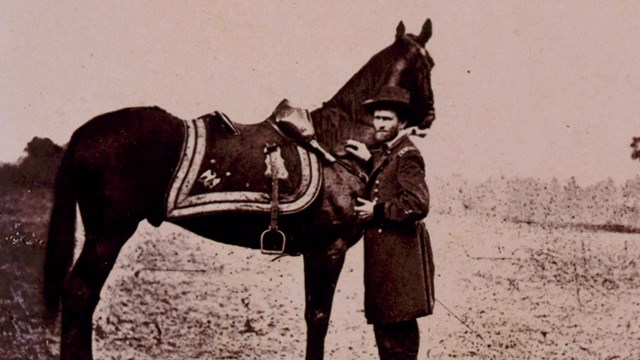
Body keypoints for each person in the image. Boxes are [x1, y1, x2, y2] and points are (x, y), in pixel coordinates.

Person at [345, 85, 435, 360]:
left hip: (400, 260)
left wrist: (378, 211)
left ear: (403, 123)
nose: (379, 124)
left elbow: (418, 205)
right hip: (386, 260)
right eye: (377, 118)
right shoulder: (389, 153)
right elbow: (387, 178)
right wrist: (370, 159)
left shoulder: (408, 155)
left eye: (387, 119)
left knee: (399, 333)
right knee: (387, 332)